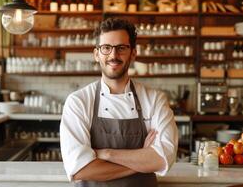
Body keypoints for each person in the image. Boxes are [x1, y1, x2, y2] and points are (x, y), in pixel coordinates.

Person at [60, 18, 178, 187]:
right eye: (106, 48)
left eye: (121, 48)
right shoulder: (78, 102)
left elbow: (163, 159)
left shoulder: (154, 100)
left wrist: (106, 154)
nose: (113, 55)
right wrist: (143, 159)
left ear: (133, 53)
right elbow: (79, 169)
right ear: (96, 54)